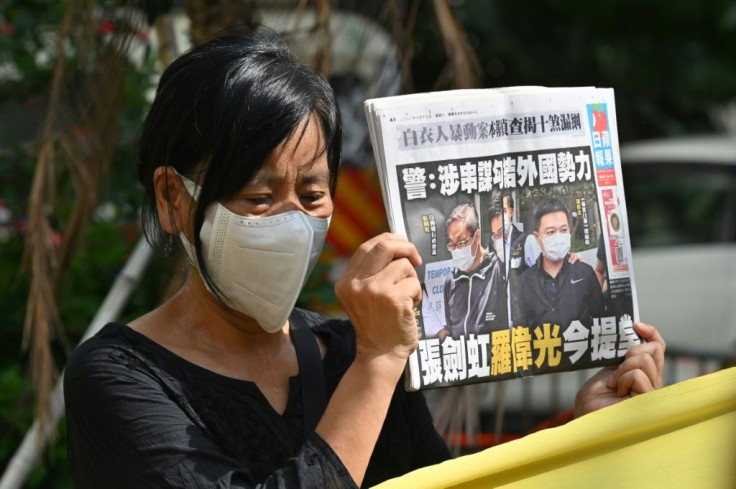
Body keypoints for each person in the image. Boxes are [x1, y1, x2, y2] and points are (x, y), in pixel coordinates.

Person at [63, 29, 667, 489]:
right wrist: (378, 364)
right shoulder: (119, 377)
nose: (292, 221)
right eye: (258, 197)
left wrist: (577, 426)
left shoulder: (348, 354)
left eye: (312, 194)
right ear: (173, 199)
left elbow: (443, 483)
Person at [515, 198, 604, 331]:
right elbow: (520, 331)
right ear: (537, 237)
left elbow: (601, 319)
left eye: (563, 230)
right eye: (550, 232)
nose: (558, 237)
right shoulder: (524, 282)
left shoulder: (585, 273)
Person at [438, 203, 507, 340]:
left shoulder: (498, 271)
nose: (457, 249)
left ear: (477, 236)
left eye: (462, 242)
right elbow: (452, 329)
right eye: (452, 244)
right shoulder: (451, 280)